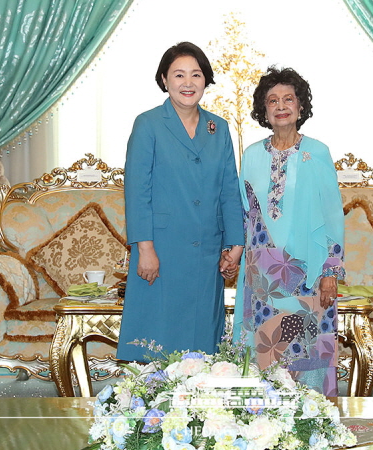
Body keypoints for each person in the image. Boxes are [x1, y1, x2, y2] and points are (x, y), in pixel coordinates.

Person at [117, 42, 244, 362]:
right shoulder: (148, 124)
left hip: (207, 254)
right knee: (156, 344)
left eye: (196, 75)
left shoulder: (219, 127)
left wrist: (236, 244)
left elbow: (230, 189)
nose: (188, 83)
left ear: (205, 80)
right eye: (179, 75)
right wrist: (144, 249)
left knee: (202, 347)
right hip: (160, 251)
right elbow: (137, 191)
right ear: (164, 80)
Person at [232, 66, 345, 396]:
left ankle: (312, 425)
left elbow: (332, 217)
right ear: (264, 110)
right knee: (267, 357)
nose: (281, 106)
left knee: (306, 357)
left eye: (288, 99)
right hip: (263, 273)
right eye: (272, 100)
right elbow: (245, 213)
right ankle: (267, 430)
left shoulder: (317, 152)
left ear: (300, 106)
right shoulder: (251, 155)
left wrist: (330, 272)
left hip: (307, 272)